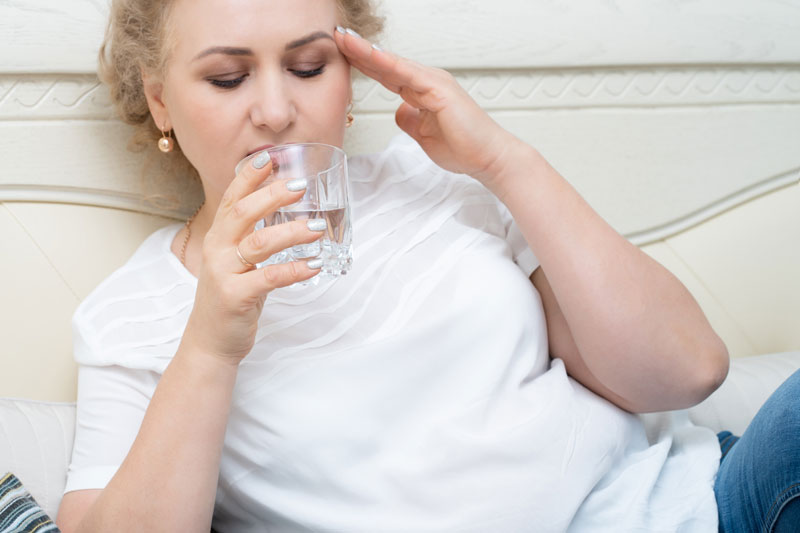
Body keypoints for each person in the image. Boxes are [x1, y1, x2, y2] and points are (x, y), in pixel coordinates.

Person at [55, 0, 800, 531]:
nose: (277, 111)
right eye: (228, 78)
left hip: (711, 506)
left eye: (309, 67)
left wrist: (504, 161)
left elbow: (688, 371)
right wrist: (211, 343)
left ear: (349, 78)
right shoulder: (135, 315)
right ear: (160, 101)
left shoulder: (437, 181)